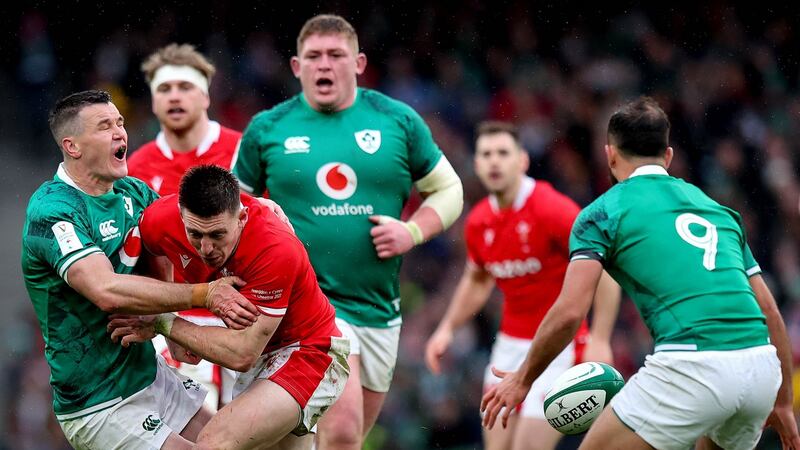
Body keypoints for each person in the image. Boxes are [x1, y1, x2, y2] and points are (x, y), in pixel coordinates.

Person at [481, 97, 800, 450]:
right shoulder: (719, 211)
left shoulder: (601, 214)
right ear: (668, 157)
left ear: (610, 155)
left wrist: (522, 380)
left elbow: (571, 312)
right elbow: (769, 310)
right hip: (760, 368)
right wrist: (783, 400)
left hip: (693, 363)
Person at [233, 14, 464, 450]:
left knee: (344, 436)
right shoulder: (268, 128)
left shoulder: (397, 120)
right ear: (296, 67)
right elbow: (229, 210)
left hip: (379, 309)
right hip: (307, 301)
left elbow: (449, 189)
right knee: (341, 429)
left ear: (358, 63)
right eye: (313, 57)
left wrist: (412, 231)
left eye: (335, 55)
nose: (325, 65)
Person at [21, 90, 260, 449]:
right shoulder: (53, 210)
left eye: (119, 122)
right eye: (105, 126)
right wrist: (204, 296)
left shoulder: (133, 192)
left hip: (148, 375)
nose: (121, 132)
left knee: (237, 442)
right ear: (73, 147)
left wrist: (171, 325)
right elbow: (105, 289)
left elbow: (162, 252)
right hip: (99, 400)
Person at [108, 164, 350, 450]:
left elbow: (242, 353)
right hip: (262, 355)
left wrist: (164, 323)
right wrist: (168, 306)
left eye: (217, 236)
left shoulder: (275, 248)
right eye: (195, 234)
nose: (206, 248)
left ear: (242, 218)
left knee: (213, 442)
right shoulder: (161, 219)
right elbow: (151, 248)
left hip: (307, 351)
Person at [425, 121, 620, 450]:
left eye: (503, 153)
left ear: (523, 160)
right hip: (508, 348)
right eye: (486, 154)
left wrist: (600, 338)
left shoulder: (552, 209)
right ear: (476, 164)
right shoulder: (479, 220)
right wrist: (447, 327)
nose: (495, 161)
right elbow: (477, 278)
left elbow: (605, 272)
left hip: (560, 347)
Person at [128, 42, 244, 410]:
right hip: (174, 322)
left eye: (185, 87)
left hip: (246, 314)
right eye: (164, 89)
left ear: (206, 96)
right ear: (152, 100)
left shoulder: (242, 153)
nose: (174, 96)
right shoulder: (136, 169)